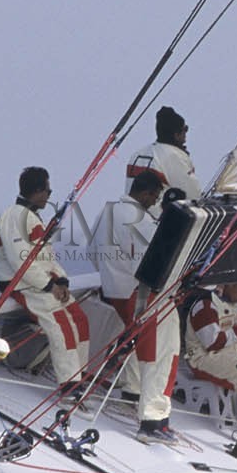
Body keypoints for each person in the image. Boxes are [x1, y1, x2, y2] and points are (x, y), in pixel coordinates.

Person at [87, 172, 181, 440]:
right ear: (146, 194)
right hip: (143, 296)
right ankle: (152, 421)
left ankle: (133, 392)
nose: (154, 202)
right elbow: (157, 261)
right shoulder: (142, 221)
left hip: (115, 292)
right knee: (159, 355)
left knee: (146, 349)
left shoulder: (108, 212)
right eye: (154, 196)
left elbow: (94, 253)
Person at [0, 166, 91, 392]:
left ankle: (81, 374)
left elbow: (46, 259)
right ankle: (70, 384)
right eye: (48, 191)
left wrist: (62, 281)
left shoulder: (32, 218)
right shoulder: (15, 217)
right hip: (20, 283)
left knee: (79, 319)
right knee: (60, 324)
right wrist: (49, 286)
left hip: (41, 282)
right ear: (37, 192)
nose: (49, 195)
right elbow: (19, 263)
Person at [184, 282, 237, 423]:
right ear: (229, 284)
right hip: (202, 358)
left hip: (229, 355)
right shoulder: (205, 305)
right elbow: (213, 344)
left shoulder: (234, 307)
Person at [125, 105, 200, 209]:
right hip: (158, 222)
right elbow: (193, 196)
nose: (185, 136)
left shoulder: (137, 155)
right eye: (185, 130)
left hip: (130, 215)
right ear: (176, 135)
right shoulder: (175, 157)